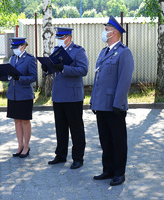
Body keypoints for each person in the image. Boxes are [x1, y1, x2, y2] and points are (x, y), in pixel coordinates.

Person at [90, 15, 134, 186]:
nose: (104, 31)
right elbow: (98, 79)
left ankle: (119, 173)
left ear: (114, 32)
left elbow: (124, 80)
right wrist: (94, 101)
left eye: (107, 29)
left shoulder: (124, 52)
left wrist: (118, 103)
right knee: (105, 139)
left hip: (114, 105)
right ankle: (107, 170)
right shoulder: (103, 52)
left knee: (118, 140)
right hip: (101, 104)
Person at [42, 27, 88, 169]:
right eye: (58, 38)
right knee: (60, 127)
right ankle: (61, 155)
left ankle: (78, 157)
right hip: (58, 94)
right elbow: (53, 66)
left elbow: (83, 70)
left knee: (76, 128)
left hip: (73, 96)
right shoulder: (57, 50)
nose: (59, 41)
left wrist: (63, 68)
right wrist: (47, 68)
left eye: (61, 38)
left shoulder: (78, 51)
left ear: (68, 37)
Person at [0, 37, 37, 158]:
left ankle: (26, 146)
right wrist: (2, 75)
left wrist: (20, 78)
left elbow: (33, 77)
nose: (14, 50)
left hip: (24, 95)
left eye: (16, 47)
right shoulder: (13, 58)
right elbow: (10, 75)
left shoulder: (29, 59)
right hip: (13, 94)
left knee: (25, 120)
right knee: (17, 121)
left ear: (23, 46)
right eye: (13, 48)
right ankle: (20, 145)